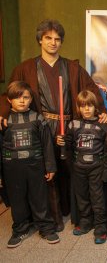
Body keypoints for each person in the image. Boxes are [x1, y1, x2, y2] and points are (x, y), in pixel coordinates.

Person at [0, 19, 107, 231]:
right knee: (46, 171)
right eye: (48, 38)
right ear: (40, 40)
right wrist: (3, 113)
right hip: (41, 126)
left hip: (69, 126)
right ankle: (47, 217)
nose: (53, 42)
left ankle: (77, 213)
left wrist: (102, 111)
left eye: (57, 39)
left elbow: (91, 90)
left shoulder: (73, 67)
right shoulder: (26, 68)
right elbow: (8, 95)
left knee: (73, 169)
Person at [1, 81, 60, 248]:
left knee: (39, 197)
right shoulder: (4, 121)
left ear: (31, 99)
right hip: (12, 168)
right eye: (17, 97)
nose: (22, 101)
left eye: (26, 97)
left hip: (35, 166)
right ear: (9, 100)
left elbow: (47, 143)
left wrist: (50, 166)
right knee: (17, 199)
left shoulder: (37, 118)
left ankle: (46, 227)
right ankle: (20, 229)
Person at [56, 91, 107, 244]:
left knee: (97, 197)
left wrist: (106, 171)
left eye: (90, 105)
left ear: (96, 107)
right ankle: (86, 221)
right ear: (78, 108)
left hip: (96, 167)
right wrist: (62, 142)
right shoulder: (73, 124)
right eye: (82, 106)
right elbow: (68, 143)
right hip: (78, 167)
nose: (86, 109)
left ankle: (100, 226)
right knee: (82, 196)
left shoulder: (103, 125)